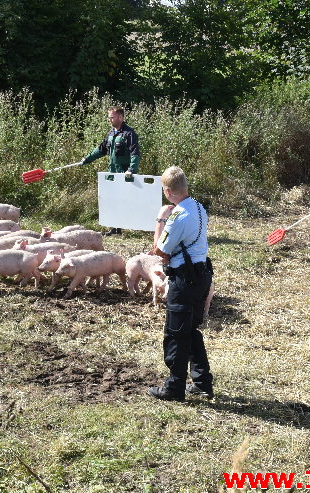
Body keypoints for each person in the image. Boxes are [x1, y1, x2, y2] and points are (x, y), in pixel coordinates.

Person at [148, 166, 214, 402]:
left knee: (176, 332)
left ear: (167, 191)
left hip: (184, 279)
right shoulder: (199, 207)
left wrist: (159, 221)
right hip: (202, 275)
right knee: (191, 330)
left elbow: (160, 251)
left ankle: (174, 388)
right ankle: (202, 382)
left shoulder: (176, 217)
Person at [80, 106, 141, 236]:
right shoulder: (111, 133)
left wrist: (131, 170)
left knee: (124, 201)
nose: (109, 119)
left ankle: (129, 227)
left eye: (112, 117)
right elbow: (101, 150)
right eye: (109, 117)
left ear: (120, 117)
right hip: (111, 173)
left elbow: (135, 153)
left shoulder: (129, 134)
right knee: (112, 200)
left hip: (124, 173)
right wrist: (87, 159)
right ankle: (115, 229)